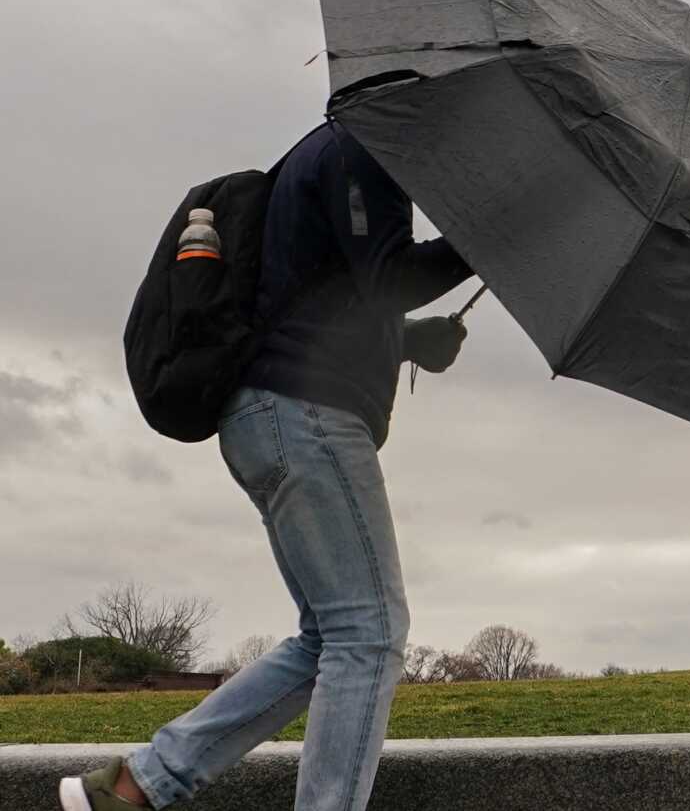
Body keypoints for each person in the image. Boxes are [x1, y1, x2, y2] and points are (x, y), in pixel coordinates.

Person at [59, 121, 476, 811]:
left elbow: (320, 302)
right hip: (305, 415)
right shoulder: (363, 147)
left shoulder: (331, 157)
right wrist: (491, 242)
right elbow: (390, 276)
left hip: (271, 415)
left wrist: (409, 344)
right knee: (370, 633)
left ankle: (136, 786)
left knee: (330, 637)